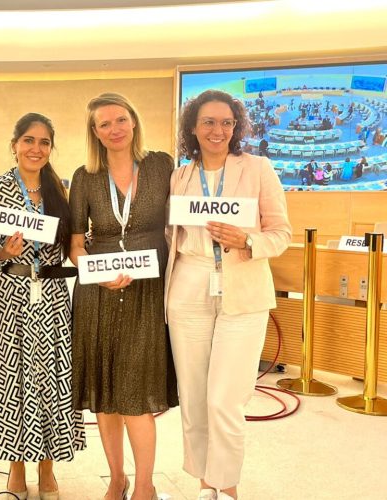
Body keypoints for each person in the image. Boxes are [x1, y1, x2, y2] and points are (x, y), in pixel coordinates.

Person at [165, 90, 291, 500]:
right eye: (208, 122)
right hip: (188, 286)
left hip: (243, 284)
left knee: (225, 399)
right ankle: (206, 485)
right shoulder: (181, 177)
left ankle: (228, 488)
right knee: (194, 396)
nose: (218, 130)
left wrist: (248, 240)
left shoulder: (258, 168)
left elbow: (281, 233)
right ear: (193, 128)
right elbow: (171, 236)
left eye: (226, 122)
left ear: (236, 127)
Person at [69, 93, 178, 500]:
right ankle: (117, 478)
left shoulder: (161, 165)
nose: (114, 129)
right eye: (104, 124)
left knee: (136, 392)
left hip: (147, 292)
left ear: (133, 121)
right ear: (95, 133)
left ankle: (145, 485)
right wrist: (97, 277)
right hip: (97, 295)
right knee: (105, 394)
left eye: (120, 120)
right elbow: (75, 245)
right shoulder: (85, 177)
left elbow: (180, 224)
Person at [0, 113, 85, 500]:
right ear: (14, 145)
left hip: (54, 295)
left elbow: (73, 245)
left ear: (51, 148)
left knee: (52, 379)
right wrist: (3, 251)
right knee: (13, 381)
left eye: (43, 142)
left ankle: (47, 467)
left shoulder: (61, 189)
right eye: (28, 140)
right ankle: (16, 466)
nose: (35, 149)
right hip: (12, 292)